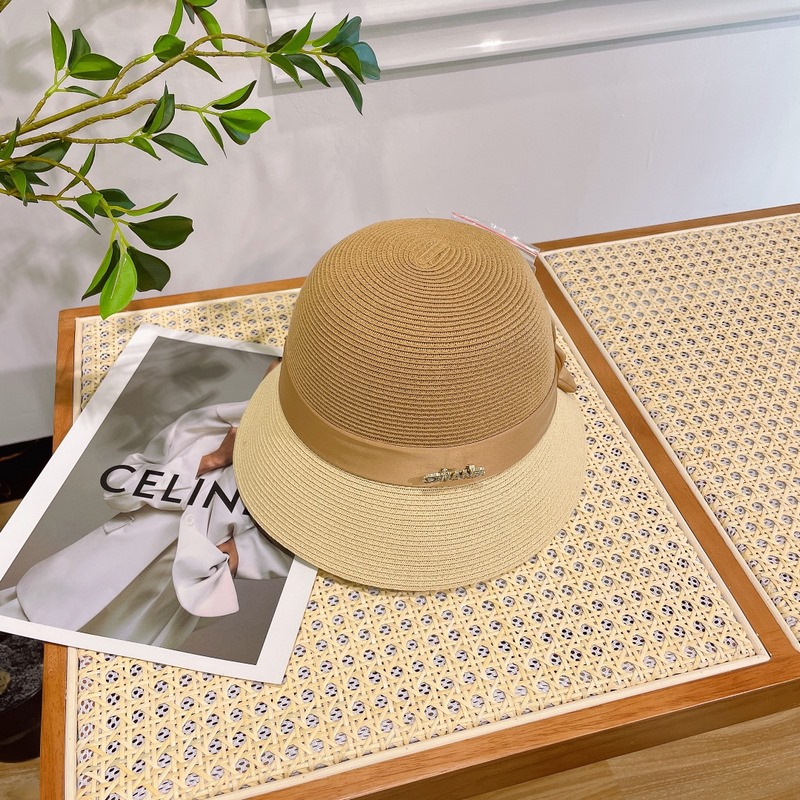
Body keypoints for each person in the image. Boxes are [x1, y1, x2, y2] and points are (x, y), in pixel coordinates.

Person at [0, 400, 292, 650]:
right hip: (101, 562)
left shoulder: (299, 475)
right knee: (21, 629)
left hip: (167, 595)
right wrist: (211, 460)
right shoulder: (203, 424)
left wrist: (240, 555)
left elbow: (298, 547)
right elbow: (118, 488)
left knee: (90, 672)